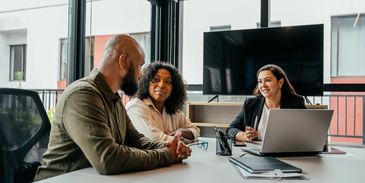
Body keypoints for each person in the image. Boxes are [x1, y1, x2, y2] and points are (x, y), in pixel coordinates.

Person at [34, 35, 191, 181]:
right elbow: (107, 158)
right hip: (60, 179)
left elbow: (135, 139)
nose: (141, 75)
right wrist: (165, 156)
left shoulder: (113, 98)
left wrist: (169, 147)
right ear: (124, 62)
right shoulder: (83, 95)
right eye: (140, 65)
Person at [227, 64, 306, 142]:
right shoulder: (252, 104)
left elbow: (307, 131)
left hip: (286, 152)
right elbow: (231, 129)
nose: (263, 85)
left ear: (280, 82)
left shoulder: (296, 102)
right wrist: (244, 136)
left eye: (268, 80)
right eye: (260, 82)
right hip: (257, 152)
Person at [126, 62, 200, 143]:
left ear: (174, 87)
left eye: (168, 82)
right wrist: (179, 141)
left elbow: (195, 131)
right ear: (146, 83)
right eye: (155, 80)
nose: (161, 85)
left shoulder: (174, 111)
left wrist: (181, 131)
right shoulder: (135, 107)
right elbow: (154, 139)